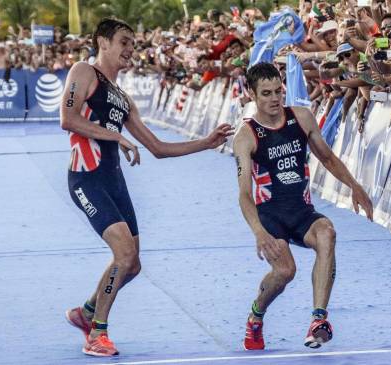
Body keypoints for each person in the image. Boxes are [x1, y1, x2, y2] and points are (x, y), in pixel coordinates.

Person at [61, 18, 233, 357]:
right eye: (124, 41)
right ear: (103, 42)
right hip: (86, 178)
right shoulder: (83, 72)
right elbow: (67, 120)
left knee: (133, 264)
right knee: (124, 255)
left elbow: (157, 148)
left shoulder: (123, 98)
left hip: (113, 181)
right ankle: (97, 334)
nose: (130, 49)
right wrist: (116, 136)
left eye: (133, 44)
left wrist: (206, 143)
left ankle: (87, 312)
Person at [233, 62, 373, 351]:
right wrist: (259, 233)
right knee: (285, 272)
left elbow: (328, 158)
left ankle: (318, 319)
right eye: (266, 93)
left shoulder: (302, 118)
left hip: (302, 212)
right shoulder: (246, 136)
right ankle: (256, 316)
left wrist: (355, 187)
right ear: (252, 94)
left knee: (328, 233)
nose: (274, 99)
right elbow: (244, 194)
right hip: (270, 216)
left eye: (278, 91)